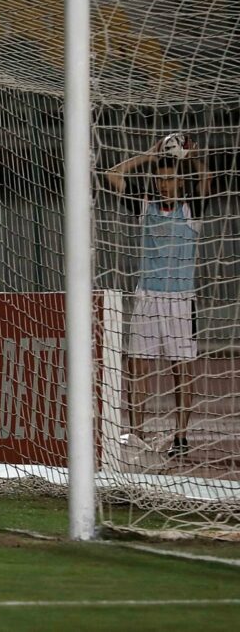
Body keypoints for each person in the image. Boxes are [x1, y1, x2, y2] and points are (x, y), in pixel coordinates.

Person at [103, 133, 212, 459]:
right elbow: (112, 174)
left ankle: (181, 437)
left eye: (171, 179)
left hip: (181, 300)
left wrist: (188, 158)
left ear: (180, 181)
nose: (166, 185)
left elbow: (207, 179)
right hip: (147, 297)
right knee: (137, 367)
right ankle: (137, 435)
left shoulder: (192, 210)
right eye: (161, 180)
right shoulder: (145, 206)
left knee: (182, 369)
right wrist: (149, 156)